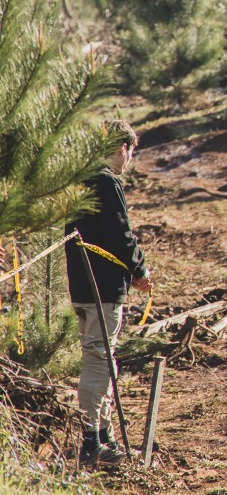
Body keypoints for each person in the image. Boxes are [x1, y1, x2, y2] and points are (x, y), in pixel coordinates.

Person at [65, 120, 151, 466]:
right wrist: (140, 270)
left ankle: (103, 436)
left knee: (101, 358)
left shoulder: (81, 181)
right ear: (122, 149)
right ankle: (90, 444)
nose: (129, 160)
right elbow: (121, 234)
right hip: (103, 288)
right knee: (99, 361)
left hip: (83, 284)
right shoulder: (107, 181)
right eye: (130, 152)